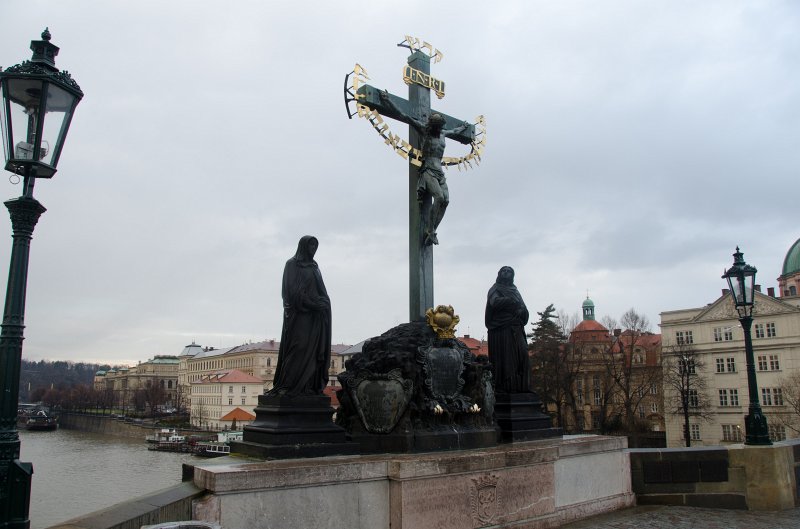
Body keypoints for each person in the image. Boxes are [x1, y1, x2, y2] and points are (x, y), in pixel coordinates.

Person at [379, 90, 470, 245]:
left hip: (439, 172)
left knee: (446, 201)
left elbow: (455, 131)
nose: (438, 129)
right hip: (428, 170)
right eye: (436, 126)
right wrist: (388, 101)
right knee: (440, 197)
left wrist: (464, 127)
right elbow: (404, 116)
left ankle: (431, 229)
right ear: (431, 125)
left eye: (439, 126)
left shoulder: (443, 134)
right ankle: (431, 231)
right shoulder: (424, 131)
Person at [269, 235, 332, 396]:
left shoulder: (314, 267)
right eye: (311, 246)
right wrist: (311, 303)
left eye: (315, 247)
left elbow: (321, 291)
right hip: (298, 316)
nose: (313, 249)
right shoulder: (292, 264)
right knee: (298, 347)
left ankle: (308, 386)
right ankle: (287, 385)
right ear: (303, 247)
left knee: (312, 351)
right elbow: (289, 292)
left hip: (314, 318)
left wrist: (323, 303)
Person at [485, 266, 531, 393]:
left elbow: (523, 307)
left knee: (523, 356)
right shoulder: (494, 289)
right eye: (503, 271)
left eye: (509, 271)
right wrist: (511, 302)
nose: (506, 273)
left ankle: (522, 387)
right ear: (499, 274)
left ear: (512, 275)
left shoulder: (515, 291)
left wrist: (522, 310)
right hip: (502, 329)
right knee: (508, 360)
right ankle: (507, 387)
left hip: (516, 328)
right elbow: (494, 302)